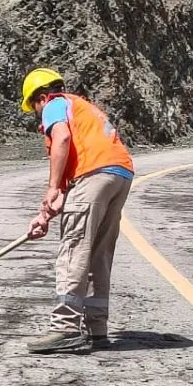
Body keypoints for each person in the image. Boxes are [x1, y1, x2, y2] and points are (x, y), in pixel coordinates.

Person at [21, 68, 134, 354]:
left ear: (41, 97)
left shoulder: (55, 103)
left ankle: (65, 327)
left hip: (94, 175)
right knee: (98, 253)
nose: (37, 116)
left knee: (73, 249)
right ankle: (97, 329)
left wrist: (51, 188)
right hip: (118, 175)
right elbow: (79, 172)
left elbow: (61, 139)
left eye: (35, 108)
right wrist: (47, 212)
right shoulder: (83, 108)